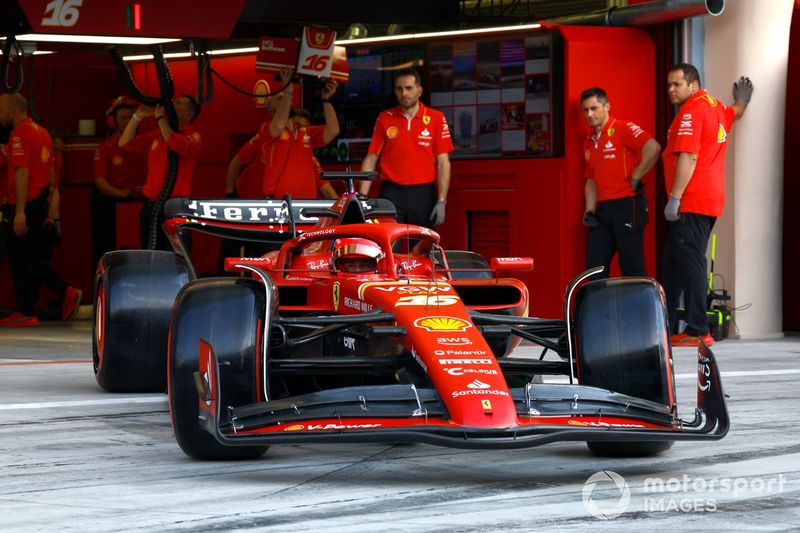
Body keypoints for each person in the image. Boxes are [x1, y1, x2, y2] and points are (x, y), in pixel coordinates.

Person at [661, 64, 753, 347]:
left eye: (677, 84)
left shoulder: (691, 111)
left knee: (691, 264)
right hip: (708, 200)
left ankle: (698, 329)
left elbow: (689, 156)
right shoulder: (716, 107)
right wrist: (742, 101)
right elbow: (735, 112)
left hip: (691, 200)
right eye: (669, 85)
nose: (671, 90)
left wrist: (675, 198)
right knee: (672, 265)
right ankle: (666, 325)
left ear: (693, 85)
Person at [0, 93, 81, 327]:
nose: (0, 116)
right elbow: (51, 174)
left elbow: (21, 172)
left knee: (19, 256)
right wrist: (47, 209)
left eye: (1, 111)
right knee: (29, 256)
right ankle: (42, 302)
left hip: (24, 204)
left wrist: (20, 211)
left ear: (13, 111)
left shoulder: (19, 134)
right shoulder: (43, 133)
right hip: (39, 201)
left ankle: (32, 308)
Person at [580, 87, 661, 278]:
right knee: (594, 268)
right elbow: (591, 179)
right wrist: (589, 210)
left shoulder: (622, 128)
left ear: (607, 106)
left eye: (594, 108)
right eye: (585, 110)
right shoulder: (588, 142)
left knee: (631, 267)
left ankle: (640, 300)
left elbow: (653, 147)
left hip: (627, 205)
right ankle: (598, 300)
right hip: (603, 211)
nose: (589, 114)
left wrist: (637, 176)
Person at [358, 68, 454, 228]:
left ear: (419, 91)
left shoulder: (436, 118)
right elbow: (371, 158)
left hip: (423, 194)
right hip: (391, 192)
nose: (404, 93)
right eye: (399, 89)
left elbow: (443, 163)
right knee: (388, 241)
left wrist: (442, 201)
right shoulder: (384, 118)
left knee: (420, 243)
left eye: (409, 88)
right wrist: (361, 197)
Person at [119, 94, 202, 251]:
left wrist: (160, 118)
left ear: (189, 113)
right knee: (151, 252)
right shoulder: (157, 135)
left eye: (178, 103)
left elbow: (177, 144)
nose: (173, 104)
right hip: (152, 205)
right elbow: (125, 143)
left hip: (176, 208)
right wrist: (137, 117)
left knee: (177, 254)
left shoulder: (193, 136)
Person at [256, 68, 340, 200]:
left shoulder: (306, 131)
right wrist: (288, 92)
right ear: (271, 111)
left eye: (286, 97)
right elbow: (278, 125)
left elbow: (333, 130)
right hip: (279, 202)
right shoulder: (266, 129)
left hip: (307, 204)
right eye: (280, 98)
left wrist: (326, 100)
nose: (286, 99)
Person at [92, 97, 146, 263]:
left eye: (130, 117)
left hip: (140, 204)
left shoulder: (143, 145)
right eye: (123, 118)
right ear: (113, 121)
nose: (128, 121)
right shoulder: (105, 148)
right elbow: (100, 182)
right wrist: (120, 194)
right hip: (112, 206)